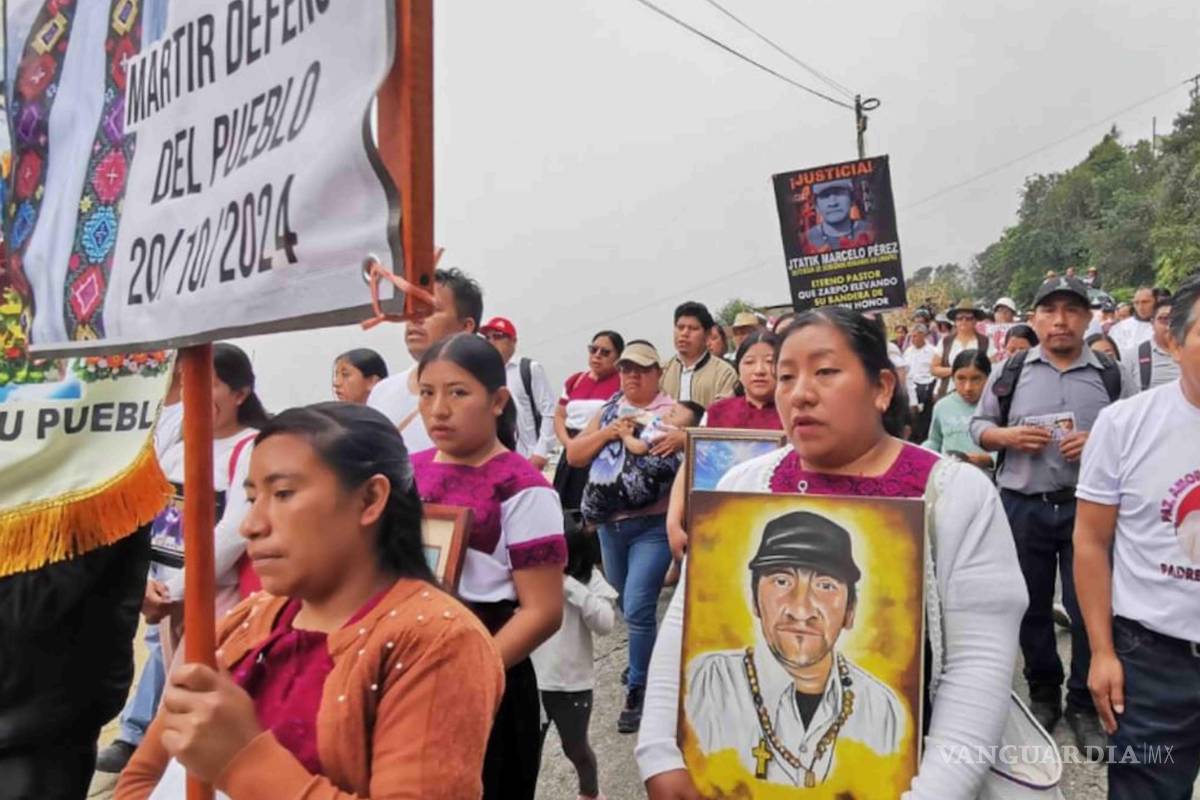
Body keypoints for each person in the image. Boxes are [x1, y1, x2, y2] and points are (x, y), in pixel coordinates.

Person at [638, 306, 1027, 799]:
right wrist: (659, 753)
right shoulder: (745, 486)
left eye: (825, 371)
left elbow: (978, 664)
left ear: (882, 388)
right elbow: (682, 626)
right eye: (785, 376)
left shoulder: (953, 494)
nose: (800, 392)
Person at [114, 403, 505, 799]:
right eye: (252, 499)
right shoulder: (247, 619)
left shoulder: (436, 641)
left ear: (370, 498)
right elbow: (141, 778)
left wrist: (243, 760)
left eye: (283, 494)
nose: (252, 525)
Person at [970, 276, 1130, 753]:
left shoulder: (1109, 373)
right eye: (1050, 311)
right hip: (1023, 506)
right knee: (1029, 605)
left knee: (1089, 610)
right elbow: (979, 426)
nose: (1060, 321)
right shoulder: (1011, 370)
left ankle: (1083, 701)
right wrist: (1007, 438)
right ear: (1034, 317)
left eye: (1072, 311)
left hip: (1089, 509)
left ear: (1088, 317)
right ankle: (1044, 692)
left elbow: (1135, 436)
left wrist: (1101, 443)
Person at [98, 344, 267, 777]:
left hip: (213, 595)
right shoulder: (177, 439)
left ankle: (169, 771)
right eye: (183, 380)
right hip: (166, 588)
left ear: (241, 393)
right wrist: (146, 582)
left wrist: (179, 588)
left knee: (190, 687)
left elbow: (233, 529)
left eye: (207, 382)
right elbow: (147, 514)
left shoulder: (249, 447)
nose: (190, 390)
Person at [411, 333, 566, 800]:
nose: (439, 409)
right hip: (409, 671)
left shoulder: (523, 487)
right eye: (427, 392)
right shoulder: (405, 469)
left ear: (498, 401)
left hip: (488, 673)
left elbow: (543, 611)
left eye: (458, 392)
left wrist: (470, 678)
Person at [1074, 275, 1200, 798]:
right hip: (1151, 662)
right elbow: (1091, 542)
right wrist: (1102, 651)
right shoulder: (1125, 424)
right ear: (1172, 340)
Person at [685, 512, 904, 786]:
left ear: (850, 612)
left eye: (826, 585)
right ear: (754, 599)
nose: (801, 610)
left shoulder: (881, 709)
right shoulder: (707, 684)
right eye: (781, 581)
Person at [569, 340, 680, 735]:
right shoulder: (610, 409)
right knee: (620, 596)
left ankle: (639, 688)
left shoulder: (671, 412)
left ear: (658, 374)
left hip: (652, 525)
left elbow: (652, 451)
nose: (633, 375)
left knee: (637, 606)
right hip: (611, 528)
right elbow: (575, 456)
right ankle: (645, 663)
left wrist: (628, 435)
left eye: (642, 369)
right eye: (627, 368)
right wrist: (610, 433)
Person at [531, 526, 618, 800]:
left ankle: (590, 793)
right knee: (525, 751)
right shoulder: (530, 575)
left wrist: (569, 586)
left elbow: (605, 623)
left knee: (576, 748)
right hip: (532, 681)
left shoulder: (590, 579)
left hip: (571, 684)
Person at [367, 268, 483, 453]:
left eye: (430, 309)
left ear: (466, 327)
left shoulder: (485, 394)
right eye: (411, 309)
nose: (415, 319)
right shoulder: (382, 392)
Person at [552, 332, 625, 516]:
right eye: (593, 350)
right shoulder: (574, 381)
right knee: (564, 511)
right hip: (570, 452)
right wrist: (568, 443)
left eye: (605, 352)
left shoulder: (622, 384)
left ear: (618, 356)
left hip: (599, 453)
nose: (597, 355)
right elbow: (560, 416)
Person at [480, 316, 558, 469]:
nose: (491, 342)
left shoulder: (528, 369)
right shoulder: (482, 373)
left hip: (526, 457)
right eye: (487, 338)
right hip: (492, 458)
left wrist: (540, 453)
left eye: (497, 337)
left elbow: (549, 412)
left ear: (513, 341)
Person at [923, 350, 995, 471]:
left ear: (988, 378)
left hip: (986, 481)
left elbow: (1009, 449)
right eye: (961, 378)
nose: (968, 387)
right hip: (949, 478)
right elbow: (935, 441)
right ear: (952, 378)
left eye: (976, 379)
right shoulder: (942, 406)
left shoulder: (997, 407)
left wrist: (989, 460)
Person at [660, 301, 739, 411]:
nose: (684, 333)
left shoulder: (724, 374)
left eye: (692, 328)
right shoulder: (661, 371)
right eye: (680, 327)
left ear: (707, 335)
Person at [704, 331, 782, 430]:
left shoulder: (794, 413)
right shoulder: (717, 412)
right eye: (749, 362)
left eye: (770, 362)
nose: (759, 370)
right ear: (738, 371)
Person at [930, 300, 993, 397]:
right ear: (955, 322)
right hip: (947, 393)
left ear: (975, 320)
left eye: (968, 318)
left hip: (977, 395)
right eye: (959, 318)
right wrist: (957, 371)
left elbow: (993, 368)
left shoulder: (986, 342)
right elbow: (934, 369)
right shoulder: (945, 342)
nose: (963, 321)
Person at [1124, 297, 1181, 392]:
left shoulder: (1194, 353)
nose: (1169, 326)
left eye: (1176, 320)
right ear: (1152, 323)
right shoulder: (1133, 356)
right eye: (1164, 319)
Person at [803, 179, 874, 253]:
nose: (833, 203)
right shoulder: (806, 240)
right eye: (825, 195)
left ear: (852, 199)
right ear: (816, 205)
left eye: (839, 193)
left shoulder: (872, 231)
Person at [621, 401, 705, 456]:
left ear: (681, 430)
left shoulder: (663, 434)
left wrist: (626, 436)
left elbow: (639, 448)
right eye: (671, 410)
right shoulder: (661, 422)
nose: (666, 414)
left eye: (672, 415)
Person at [903, 323, 938, 443]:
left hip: (927, 386)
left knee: (925, 419)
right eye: (911, 336)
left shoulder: (933, 351)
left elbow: (936, 371)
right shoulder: (908, 351)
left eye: (916, 336)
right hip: (911, 387)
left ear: (923, 336)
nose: (913, 339)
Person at [1108, 286, 1155, 360]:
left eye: (1145, 302)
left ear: (1156, 302)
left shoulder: (1166, 326)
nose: (1140, 307)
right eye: (1136, 303)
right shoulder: (1119, 328)